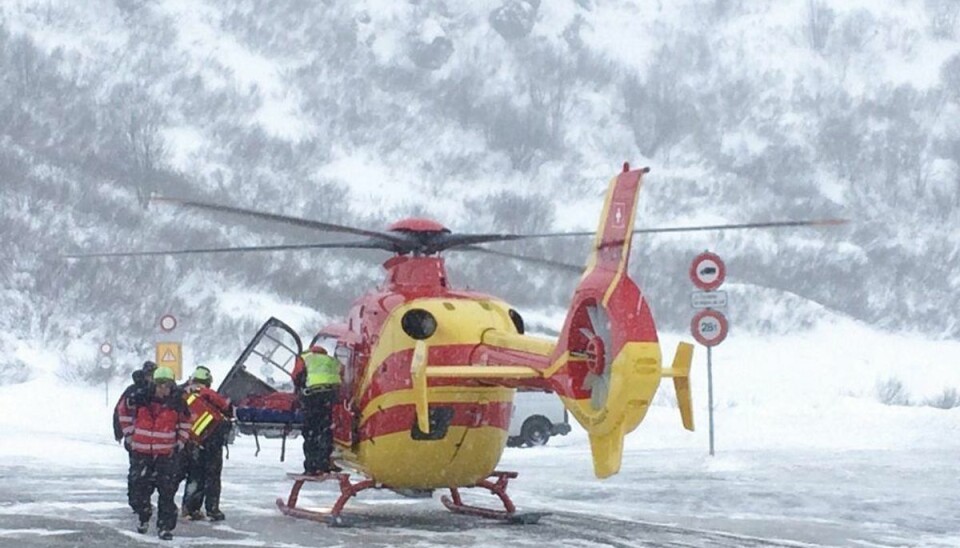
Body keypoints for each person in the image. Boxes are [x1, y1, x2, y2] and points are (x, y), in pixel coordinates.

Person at [124, 366, 191, 541]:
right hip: (142, 453)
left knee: (167, 492)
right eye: (160, 384)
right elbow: (123, 412)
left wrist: (180, 442)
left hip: (166, 454)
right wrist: (129, 434)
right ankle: (143, 516)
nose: (163, 389)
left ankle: (165, 527)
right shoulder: (139, 398)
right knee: (139, 489)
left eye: (167, 385)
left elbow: (186, 423)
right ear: (154, 384)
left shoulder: (178, 403)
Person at [180, 365, 232, 522]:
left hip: (192, 441)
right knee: (213, 476)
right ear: (208, 381)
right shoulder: (207, 393)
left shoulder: (184, 394)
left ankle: (190, 508)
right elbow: (226, 407)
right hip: (211, 440)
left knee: (195, 476)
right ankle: (212, 509)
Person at [113, 360, 157, 512]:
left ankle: (142, 499)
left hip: (148, 439)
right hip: (135, 438)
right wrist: (125, 433)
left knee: (146, 471)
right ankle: (137, 500)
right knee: (138, 471)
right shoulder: (135, 392)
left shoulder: (151, 390)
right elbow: (120, 411)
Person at [291, 345, 342, 475]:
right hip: (329, 396)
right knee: (325, 429)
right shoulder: (331, 360)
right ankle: (324, 463)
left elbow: (296, 376)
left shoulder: (305, 358)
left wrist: (300, 391)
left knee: (310, 430)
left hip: (312, 396)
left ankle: (311, 466)